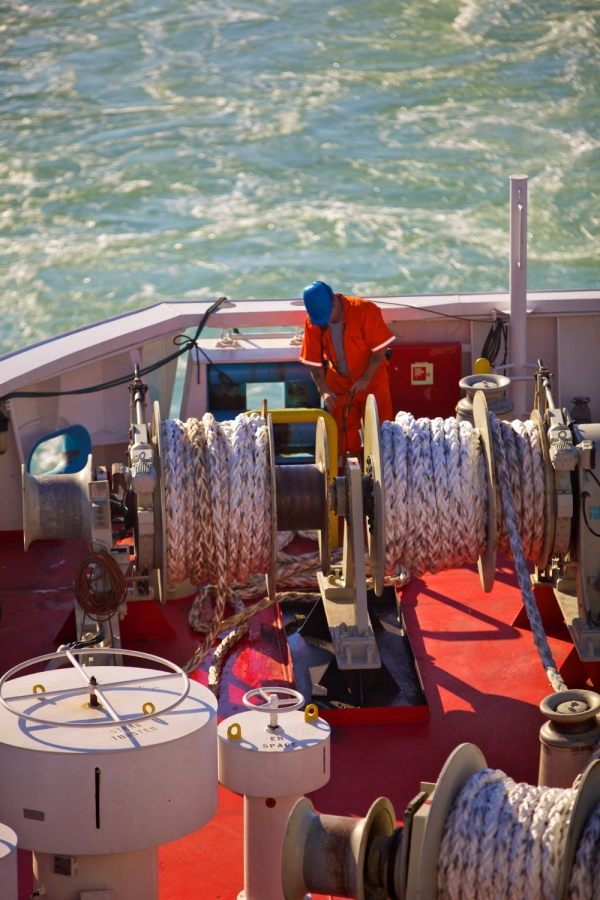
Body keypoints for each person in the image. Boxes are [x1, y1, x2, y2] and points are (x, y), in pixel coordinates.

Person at [299, 281, 395, 455]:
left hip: (372, 380)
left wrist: (365, 379)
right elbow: (313, 362)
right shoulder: (313, 322)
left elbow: (380, 349)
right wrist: (324, 390)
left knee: (381, 434)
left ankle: (380, 476)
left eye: (327, 315)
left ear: (335, 301)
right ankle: (350, 476)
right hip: (338, 384)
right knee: (342, 437)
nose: (325, 321)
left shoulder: (364, 310)